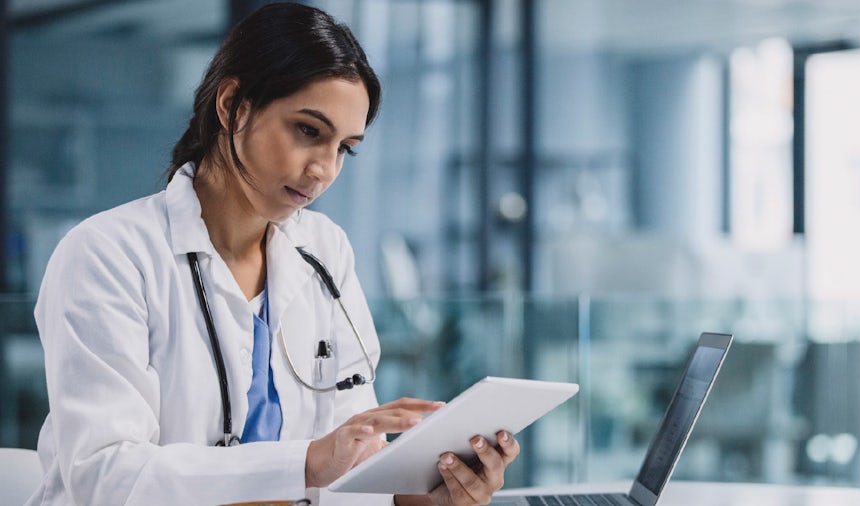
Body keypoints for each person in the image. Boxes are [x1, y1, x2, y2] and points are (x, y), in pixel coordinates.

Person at [27, 3, 518, 505]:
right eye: (308, 130)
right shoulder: (107, 255)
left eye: (345, 147)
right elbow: (106, 477)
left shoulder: (325, 251)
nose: (324, 169)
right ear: (232, 105)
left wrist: (415, 499)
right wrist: (306, 462)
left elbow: (351, 464)